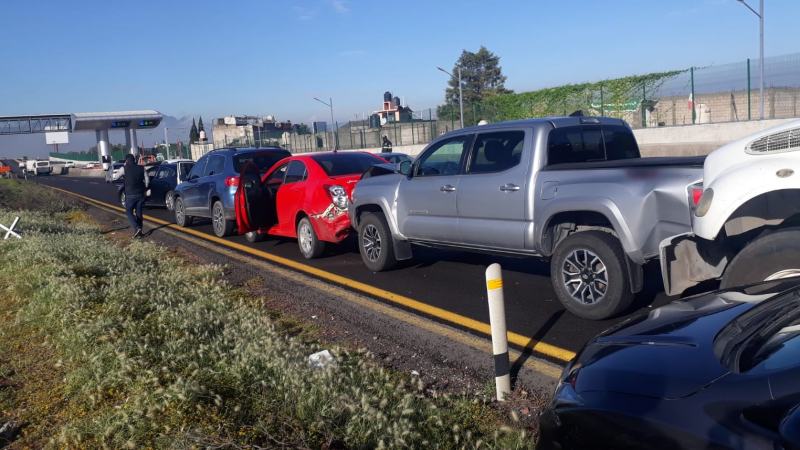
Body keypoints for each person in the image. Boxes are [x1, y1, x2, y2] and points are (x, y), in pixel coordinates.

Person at [123, 154, 148, 238]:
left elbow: (115, 176)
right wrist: (145, 187)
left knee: (129, 211)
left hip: (130, 195)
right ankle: (140, 232)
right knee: (139, 213)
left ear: (126, 161)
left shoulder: (124, 168)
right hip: (140, 194)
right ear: (134, 160)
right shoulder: (141, 168)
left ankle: (137, 228)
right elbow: (147, 180)